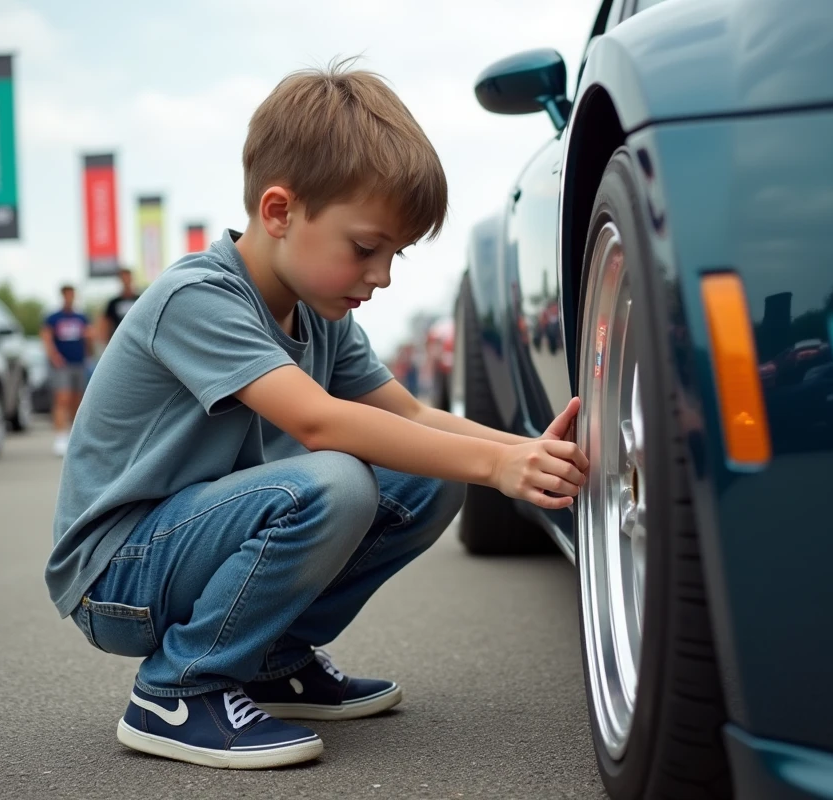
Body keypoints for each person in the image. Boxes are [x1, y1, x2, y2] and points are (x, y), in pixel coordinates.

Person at [45, 60, 589, 772]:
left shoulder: (317, 314)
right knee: (335, 479)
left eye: (395, 253)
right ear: (279, 212)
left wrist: (524, 450)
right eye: (366, 247)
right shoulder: (199, 297)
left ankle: (272, 660)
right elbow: (321, 424)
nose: (383, 275)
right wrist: (499, 466)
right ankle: (177, 689)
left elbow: (412, 414)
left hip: (187, 545)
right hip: (117, 576)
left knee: (430, 479)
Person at [42, 285, 92, 457]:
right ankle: (60, 437)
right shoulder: (54, 318)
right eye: (67, 295)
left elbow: (89, 339)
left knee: (77, 400)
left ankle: (74, 435)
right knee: (62, 398)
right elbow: (47, 339)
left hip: (79, 363)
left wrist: (89, 351)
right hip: (62, 365)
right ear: (63, 296)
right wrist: (54, 357)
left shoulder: (81, 317)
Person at [99, 267, 139, 349]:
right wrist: (106, 342)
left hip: (137, 341)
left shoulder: (139, 300)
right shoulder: (113, 302)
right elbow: (106, 323)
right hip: (118, 342)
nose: (126, 281)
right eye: (123, 278)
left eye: (127, 277)